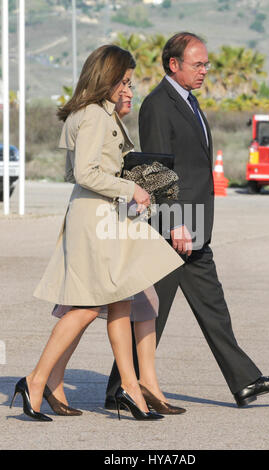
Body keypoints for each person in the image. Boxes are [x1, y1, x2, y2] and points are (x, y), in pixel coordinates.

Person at [105, 33, 269, 408]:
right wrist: (174, 222)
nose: (205, 70)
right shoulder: (159, 104)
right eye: (198, 64)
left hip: (195, 228)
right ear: (173, 64)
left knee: (211, 307)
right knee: (150, 313)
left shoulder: (188, 102)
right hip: (176, 227)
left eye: (206, 64)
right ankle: (119, 389)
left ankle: (244, 382)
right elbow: (157, 169)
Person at [10, 44, 184, 422]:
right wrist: (131, 190)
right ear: (106, 76)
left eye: (129, 82)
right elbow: (86, 173)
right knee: (89, 305)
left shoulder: (98, 113)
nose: (127, 88)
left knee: (120, 298)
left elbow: (103, 165)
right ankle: (36, 379)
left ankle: (129, 387)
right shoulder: (91, 115)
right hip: (96, 219)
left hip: (105, 215)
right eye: (123, 81)